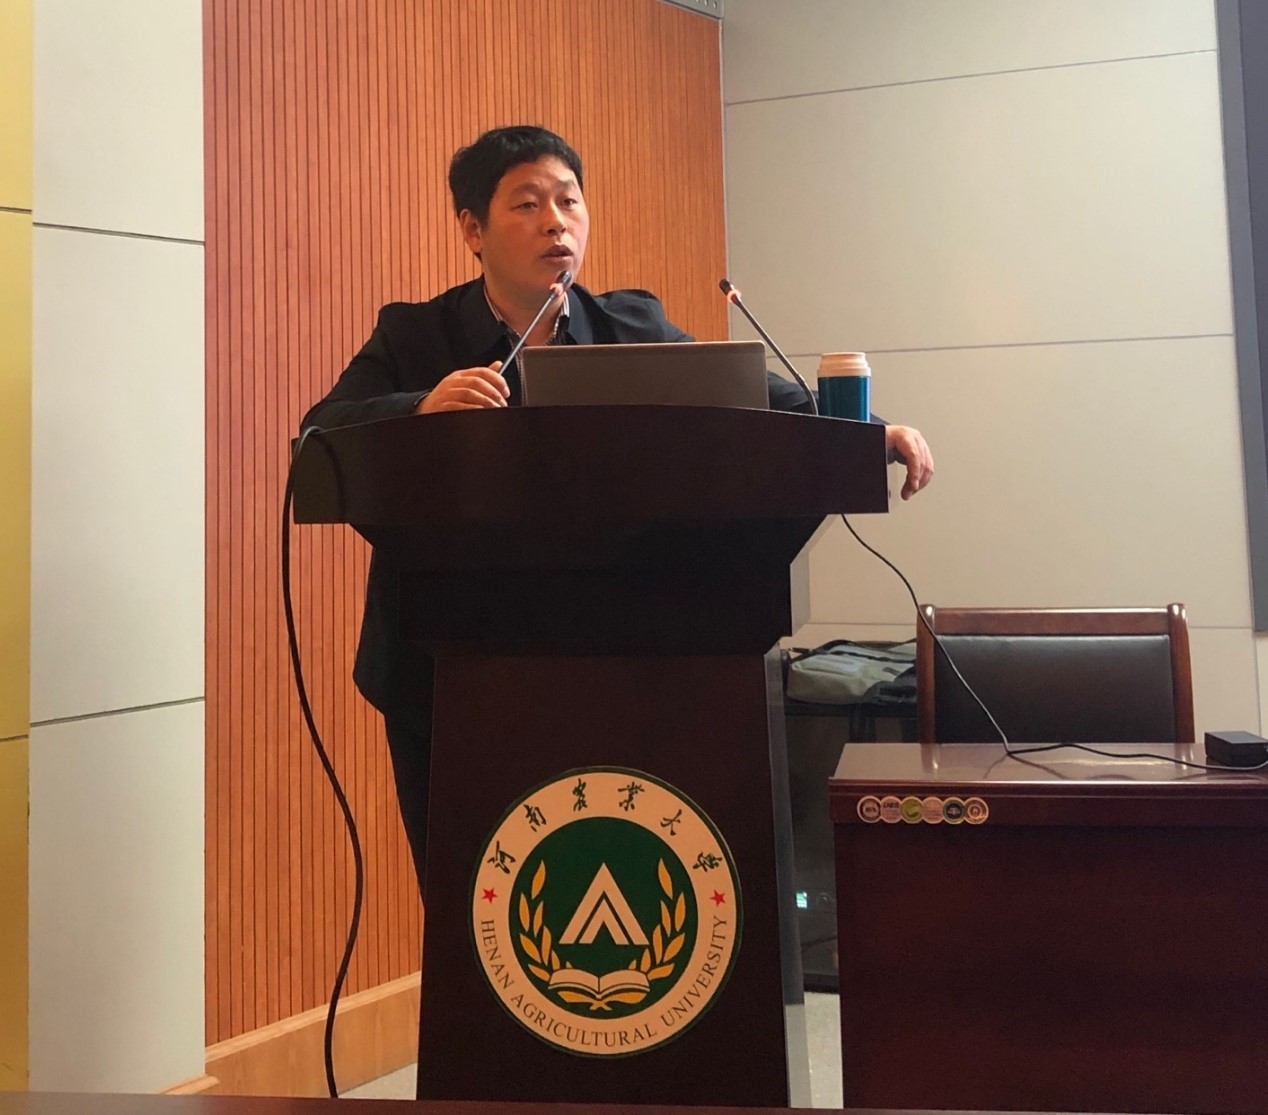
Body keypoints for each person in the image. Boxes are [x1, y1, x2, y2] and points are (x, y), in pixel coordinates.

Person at [300, 125, 934, 891]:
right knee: (477, 901)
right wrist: (418, 407)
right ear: (472, 228)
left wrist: (869, 434)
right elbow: (319, 434)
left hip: (634, 657)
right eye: (527, 204)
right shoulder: (416, 334)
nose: (556, 222)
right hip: (448, 671)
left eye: (569, 201)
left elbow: (753, 400)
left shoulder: (633, 326)